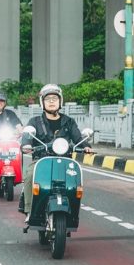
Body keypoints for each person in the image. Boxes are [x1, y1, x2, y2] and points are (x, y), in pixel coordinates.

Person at [20, 84, 92, 222]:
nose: (52, 101)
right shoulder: (34, 121)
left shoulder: (69, 121)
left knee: (75, 182)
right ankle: (29, 210)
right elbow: (27, 137)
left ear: (60, 101)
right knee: (29, 176)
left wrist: (86, 146)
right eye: (48, 99)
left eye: (55, 98)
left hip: (65, 161)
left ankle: (73, 212)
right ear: (42, 102)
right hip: (41, 160)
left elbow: (78, 138)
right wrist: (26, 145)